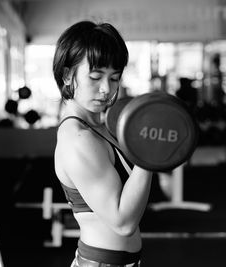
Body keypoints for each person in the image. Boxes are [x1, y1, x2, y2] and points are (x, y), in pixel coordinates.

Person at [53, 21, 153, 267]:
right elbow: (123, 222)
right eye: (95, 77)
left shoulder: (97, 127)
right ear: (67, 75)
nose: (106, 89)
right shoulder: (78, 138)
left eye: (115, 77)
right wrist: (149, 155)